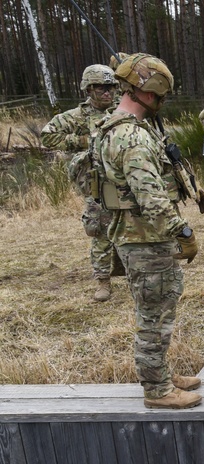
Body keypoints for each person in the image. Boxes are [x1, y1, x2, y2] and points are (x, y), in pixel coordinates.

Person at [93, 53, 201, 409]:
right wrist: (183, 232)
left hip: (139, 236)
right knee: (154, 315)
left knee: (158, 310)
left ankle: (161, 374)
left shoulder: (117, 126)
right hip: (146, 238)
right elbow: (151, 198)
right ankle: (157, 390)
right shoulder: (132, 137)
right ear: (152, 93)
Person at [41, 64, 118, 302]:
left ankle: (133, 271)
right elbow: (47, 136)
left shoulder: (122, 112)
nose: (107, 93)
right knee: (100, 232)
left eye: (111, 87)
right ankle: (103, 280)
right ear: (88, 89)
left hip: (125, 180)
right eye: (101, 88)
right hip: (96, 185)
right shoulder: (76, 117)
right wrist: (83, 140)